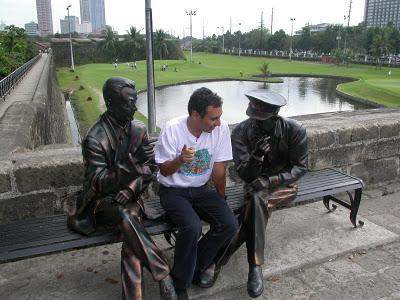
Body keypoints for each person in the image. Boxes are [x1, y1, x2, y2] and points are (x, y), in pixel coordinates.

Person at [68, 77, 176, 300]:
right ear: (110, 103)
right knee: (125, 216)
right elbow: (98, 183)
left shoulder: (138, 129)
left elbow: (150, 168)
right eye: (129, 103)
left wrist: (131, 188)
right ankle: (163, 273)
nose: (134, 108)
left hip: (130, 198)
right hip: (101, 203)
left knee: (129, 225)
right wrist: (131, 164)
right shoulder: (94, 139)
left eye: (135, 102)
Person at [218, 90, 308, 298]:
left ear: (275, 116)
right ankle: (253, 266)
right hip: (253, 187)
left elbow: (300, 169)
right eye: (254, 118)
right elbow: (244, 174)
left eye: (263, 120)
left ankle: (223, 260)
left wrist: (270, 180)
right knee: (257, 200)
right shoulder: (240, 132)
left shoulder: (294, 130)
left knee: (257, 202)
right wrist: (256, 157)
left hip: (284, 186)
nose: (257, 124)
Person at [155, 87, 239, 299]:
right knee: (191, 226)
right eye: (213, 118)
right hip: (173, 191)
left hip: (201, 190)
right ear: (195, 115)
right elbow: (164, 170)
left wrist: (221, 199)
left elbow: (219, 170)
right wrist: (180, 160)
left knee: (229, 224)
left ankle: (194, 267)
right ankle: (180, 282)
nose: (218, 123)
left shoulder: (221, 129)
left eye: (219, 117)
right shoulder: (173, 129)